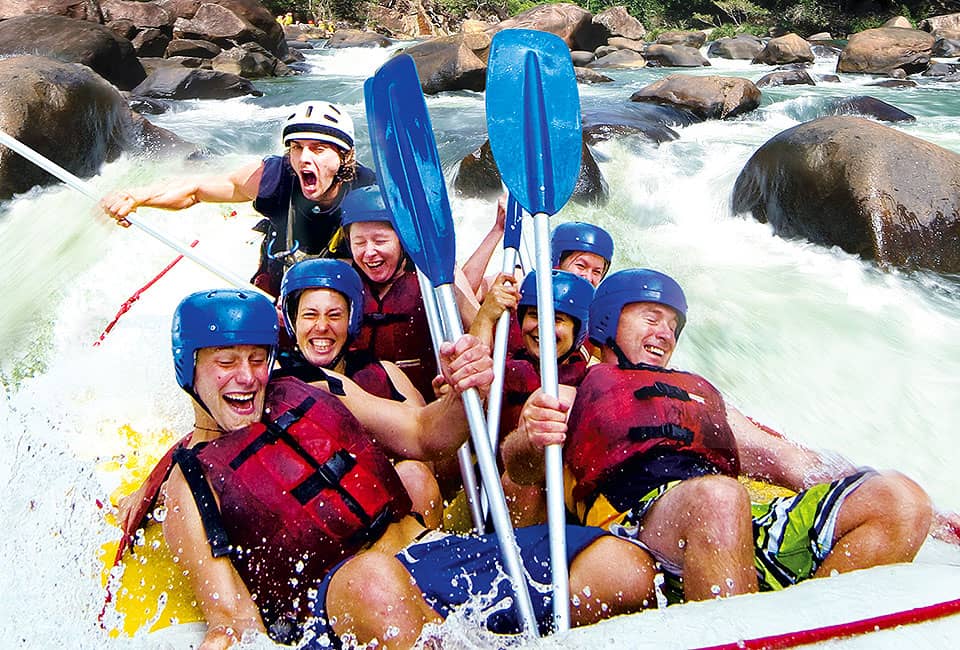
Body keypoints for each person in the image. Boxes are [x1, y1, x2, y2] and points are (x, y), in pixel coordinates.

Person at [117, 288, 658, 648]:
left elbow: (426, 434)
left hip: (435, 560)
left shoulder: (313, 389)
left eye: (257, 359)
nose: (248, 378)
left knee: (623, 567)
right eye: (226, 363)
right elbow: (233, 623)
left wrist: (469, 387)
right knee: (374, 581)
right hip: (339, 612)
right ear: (189, 369)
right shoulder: (189, 487)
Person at [503, 268, 934, 602]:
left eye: (673, 325)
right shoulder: (569, 391)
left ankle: (802, 625)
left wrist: (932, 514)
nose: (664, 333)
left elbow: (788, 461)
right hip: (637, 533)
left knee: (900, 498)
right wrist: (529, 436)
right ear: (607, 323)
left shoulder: (698, 395)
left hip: (732, 524)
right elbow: (519, 468)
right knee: (718, 499)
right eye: (651, 318)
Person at [100, 101, 376, 295]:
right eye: (297, 148)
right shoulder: (274, 177)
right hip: (281, 287)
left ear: (345, 156)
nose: (304, 158)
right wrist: (138, 196)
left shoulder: (370, 192)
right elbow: (196, 190)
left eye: (318, 149)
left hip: (341, 292)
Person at [277, 257, 443, 527]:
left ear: (352, 320)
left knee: (415, 474)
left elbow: (428, 455)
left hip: (391, 518)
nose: (321, 326)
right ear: (293, 321)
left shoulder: (386, 374)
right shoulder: (273, 389)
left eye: (334, 315)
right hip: (318, 525)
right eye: (309, 315)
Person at [469, 269, 594, 526]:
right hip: (485, 489)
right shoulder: (507, 367)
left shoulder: (586, 382)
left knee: (522, 485)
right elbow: (471, 377)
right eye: (535, 316)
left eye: (557, 320)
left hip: (544, 505)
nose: (542, 328)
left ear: (578, 332)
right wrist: (485, 317)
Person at [337, 184, 479, 401]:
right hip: (363, 407)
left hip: (427, 407)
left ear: (403, 241)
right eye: (359, 243)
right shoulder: (342, 281)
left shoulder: (434, 280)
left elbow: (480, 333)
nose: (369, 252)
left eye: (380, 241)